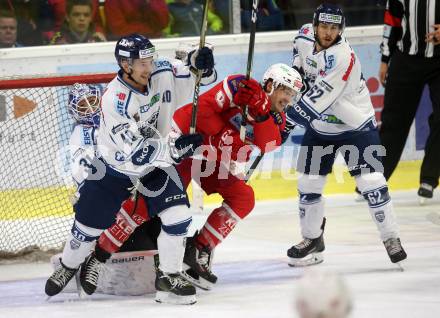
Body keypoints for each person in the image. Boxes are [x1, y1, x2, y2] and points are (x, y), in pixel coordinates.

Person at [79, 62, 304, 294]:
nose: (288, 99)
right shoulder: (239, 85)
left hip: (212, 155)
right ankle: (98, 255)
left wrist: (260, 113)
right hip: (185, 142)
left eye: (292, 94)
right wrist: (227, 131)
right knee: (148, 204)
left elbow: (267, 144)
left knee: (243, 198)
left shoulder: (275, 117)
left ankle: (197, 249)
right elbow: (203, 112)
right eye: (286, 90)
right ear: (270, 84)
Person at [45, 33, 216, 305]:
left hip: (157, 167)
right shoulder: (114, 99)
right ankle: (69, 265)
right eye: (143, 63)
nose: (150, 66)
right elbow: (136, 153)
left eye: (151, 59)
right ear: (126, 65)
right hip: (115, 169)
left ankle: (168, 275)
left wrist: (200, 64)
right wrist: (175, 149)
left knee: (179, 217)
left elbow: (196, 77)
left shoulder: (160, 71)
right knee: (87, 228)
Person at [283, 4, 407, 267]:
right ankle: (312, 238)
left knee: (372, 183)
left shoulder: (343, 57)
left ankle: (391, 238)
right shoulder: (303, 36)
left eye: (334, 28)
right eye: (324, 27)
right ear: (315, 25)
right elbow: (296, 70)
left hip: (355, 126)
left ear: (341, 30)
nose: (328, 33)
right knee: (308, 184)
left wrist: (284, 122)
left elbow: (316, 100)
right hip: (321, 129)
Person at [378, 0, 440, 204]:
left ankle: (429, 179)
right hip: (406, 57)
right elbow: (392, 22)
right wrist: (385, 60)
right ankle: (376, 179)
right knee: (393, 122)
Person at [104, 0, 169, 39]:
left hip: (155, 41)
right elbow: (119, 30)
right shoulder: (112, 1)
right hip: (126, 45)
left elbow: (163, 23)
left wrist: (151, 2)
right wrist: (150, 29)